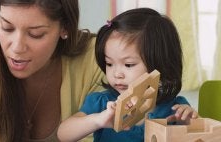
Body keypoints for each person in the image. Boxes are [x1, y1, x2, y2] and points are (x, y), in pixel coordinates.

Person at [0, 0, 104, 141]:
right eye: (7, 28)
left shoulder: (98, 58)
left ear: (65, 28)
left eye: (36, 34)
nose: (17, 47)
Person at [57, 8, 199, 142]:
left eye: (128, 65)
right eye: (109, 64)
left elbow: (202, 135)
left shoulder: (175, 107)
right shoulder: (102, 103)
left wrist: (188, 123)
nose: (116, 74)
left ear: (161, 63)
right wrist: (97, 120)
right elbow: (63, 134)